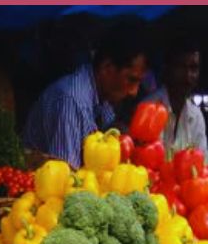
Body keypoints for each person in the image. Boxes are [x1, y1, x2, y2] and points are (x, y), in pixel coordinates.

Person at [23, 26, 148, 168]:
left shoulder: (102, 97)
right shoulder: (72, 101)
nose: (134, 92)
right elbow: (67, 175)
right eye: (131, 80)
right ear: (107, 68)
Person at [147, 36, 208, 163]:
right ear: (167, 69)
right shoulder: (149, 109)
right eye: (181, 67)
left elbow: (204, 167)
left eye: (193, 68)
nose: (188, 76)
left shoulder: (196, 117)